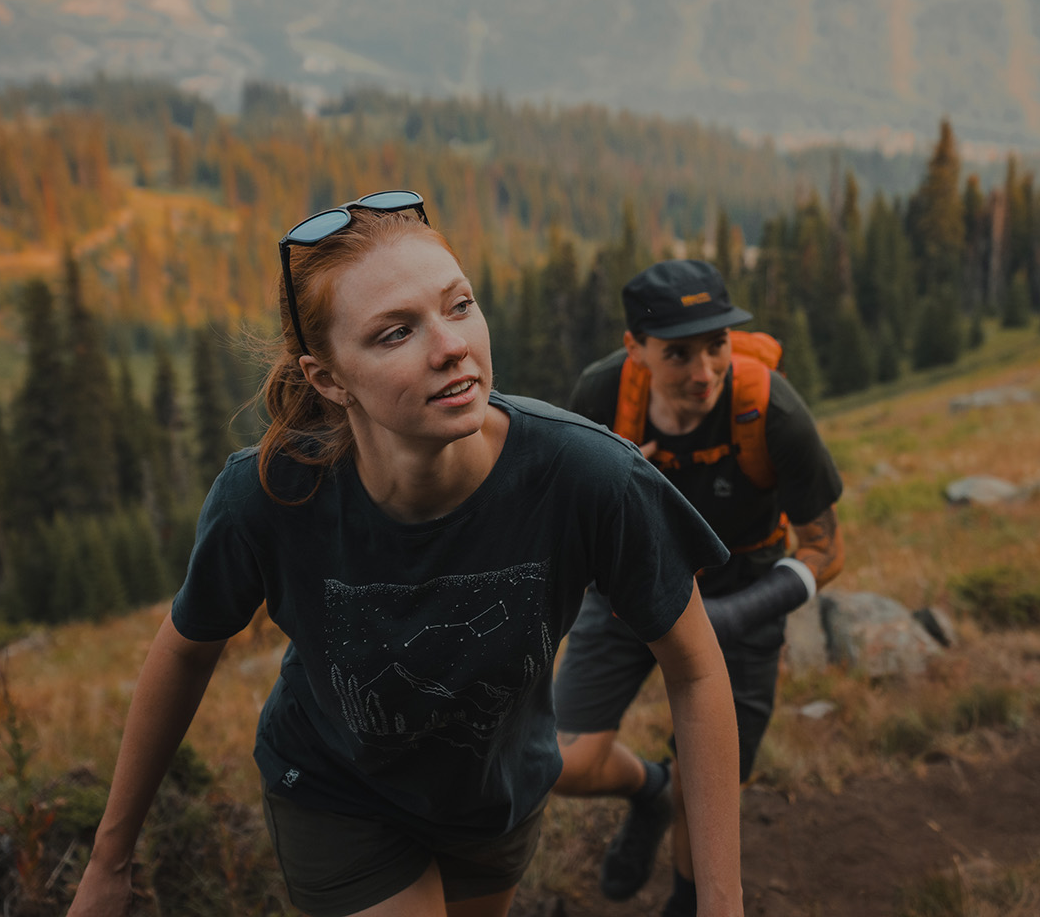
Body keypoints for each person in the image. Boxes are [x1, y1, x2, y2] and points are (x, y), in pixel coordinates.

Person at [67, 193, 745, 917]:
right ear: (329, 378)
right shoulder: (269, 495)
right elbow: (185, 651)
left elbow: (696, 668)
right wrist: (109, 861)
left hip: (496, 799)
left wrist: (721, 899)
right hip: (336, 794)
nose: (451, 345)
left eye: (459, 305)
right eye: (396, 333)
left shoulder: (589, 477)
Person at [553, 259, 845, 916]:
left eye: (716, 346)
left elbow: (827, 548)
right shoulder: (603, 400)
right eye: (678, 354)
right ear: (637, 350)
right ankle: (648, 792)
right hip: (629, 582)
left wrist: (742, 611)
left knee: (706, 784)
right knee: (563, 763)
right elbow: (564, 516)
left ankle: (686, 900)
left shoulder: (770, 409)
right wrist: (614, 482)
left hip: (745, 585)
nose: (704, 372)